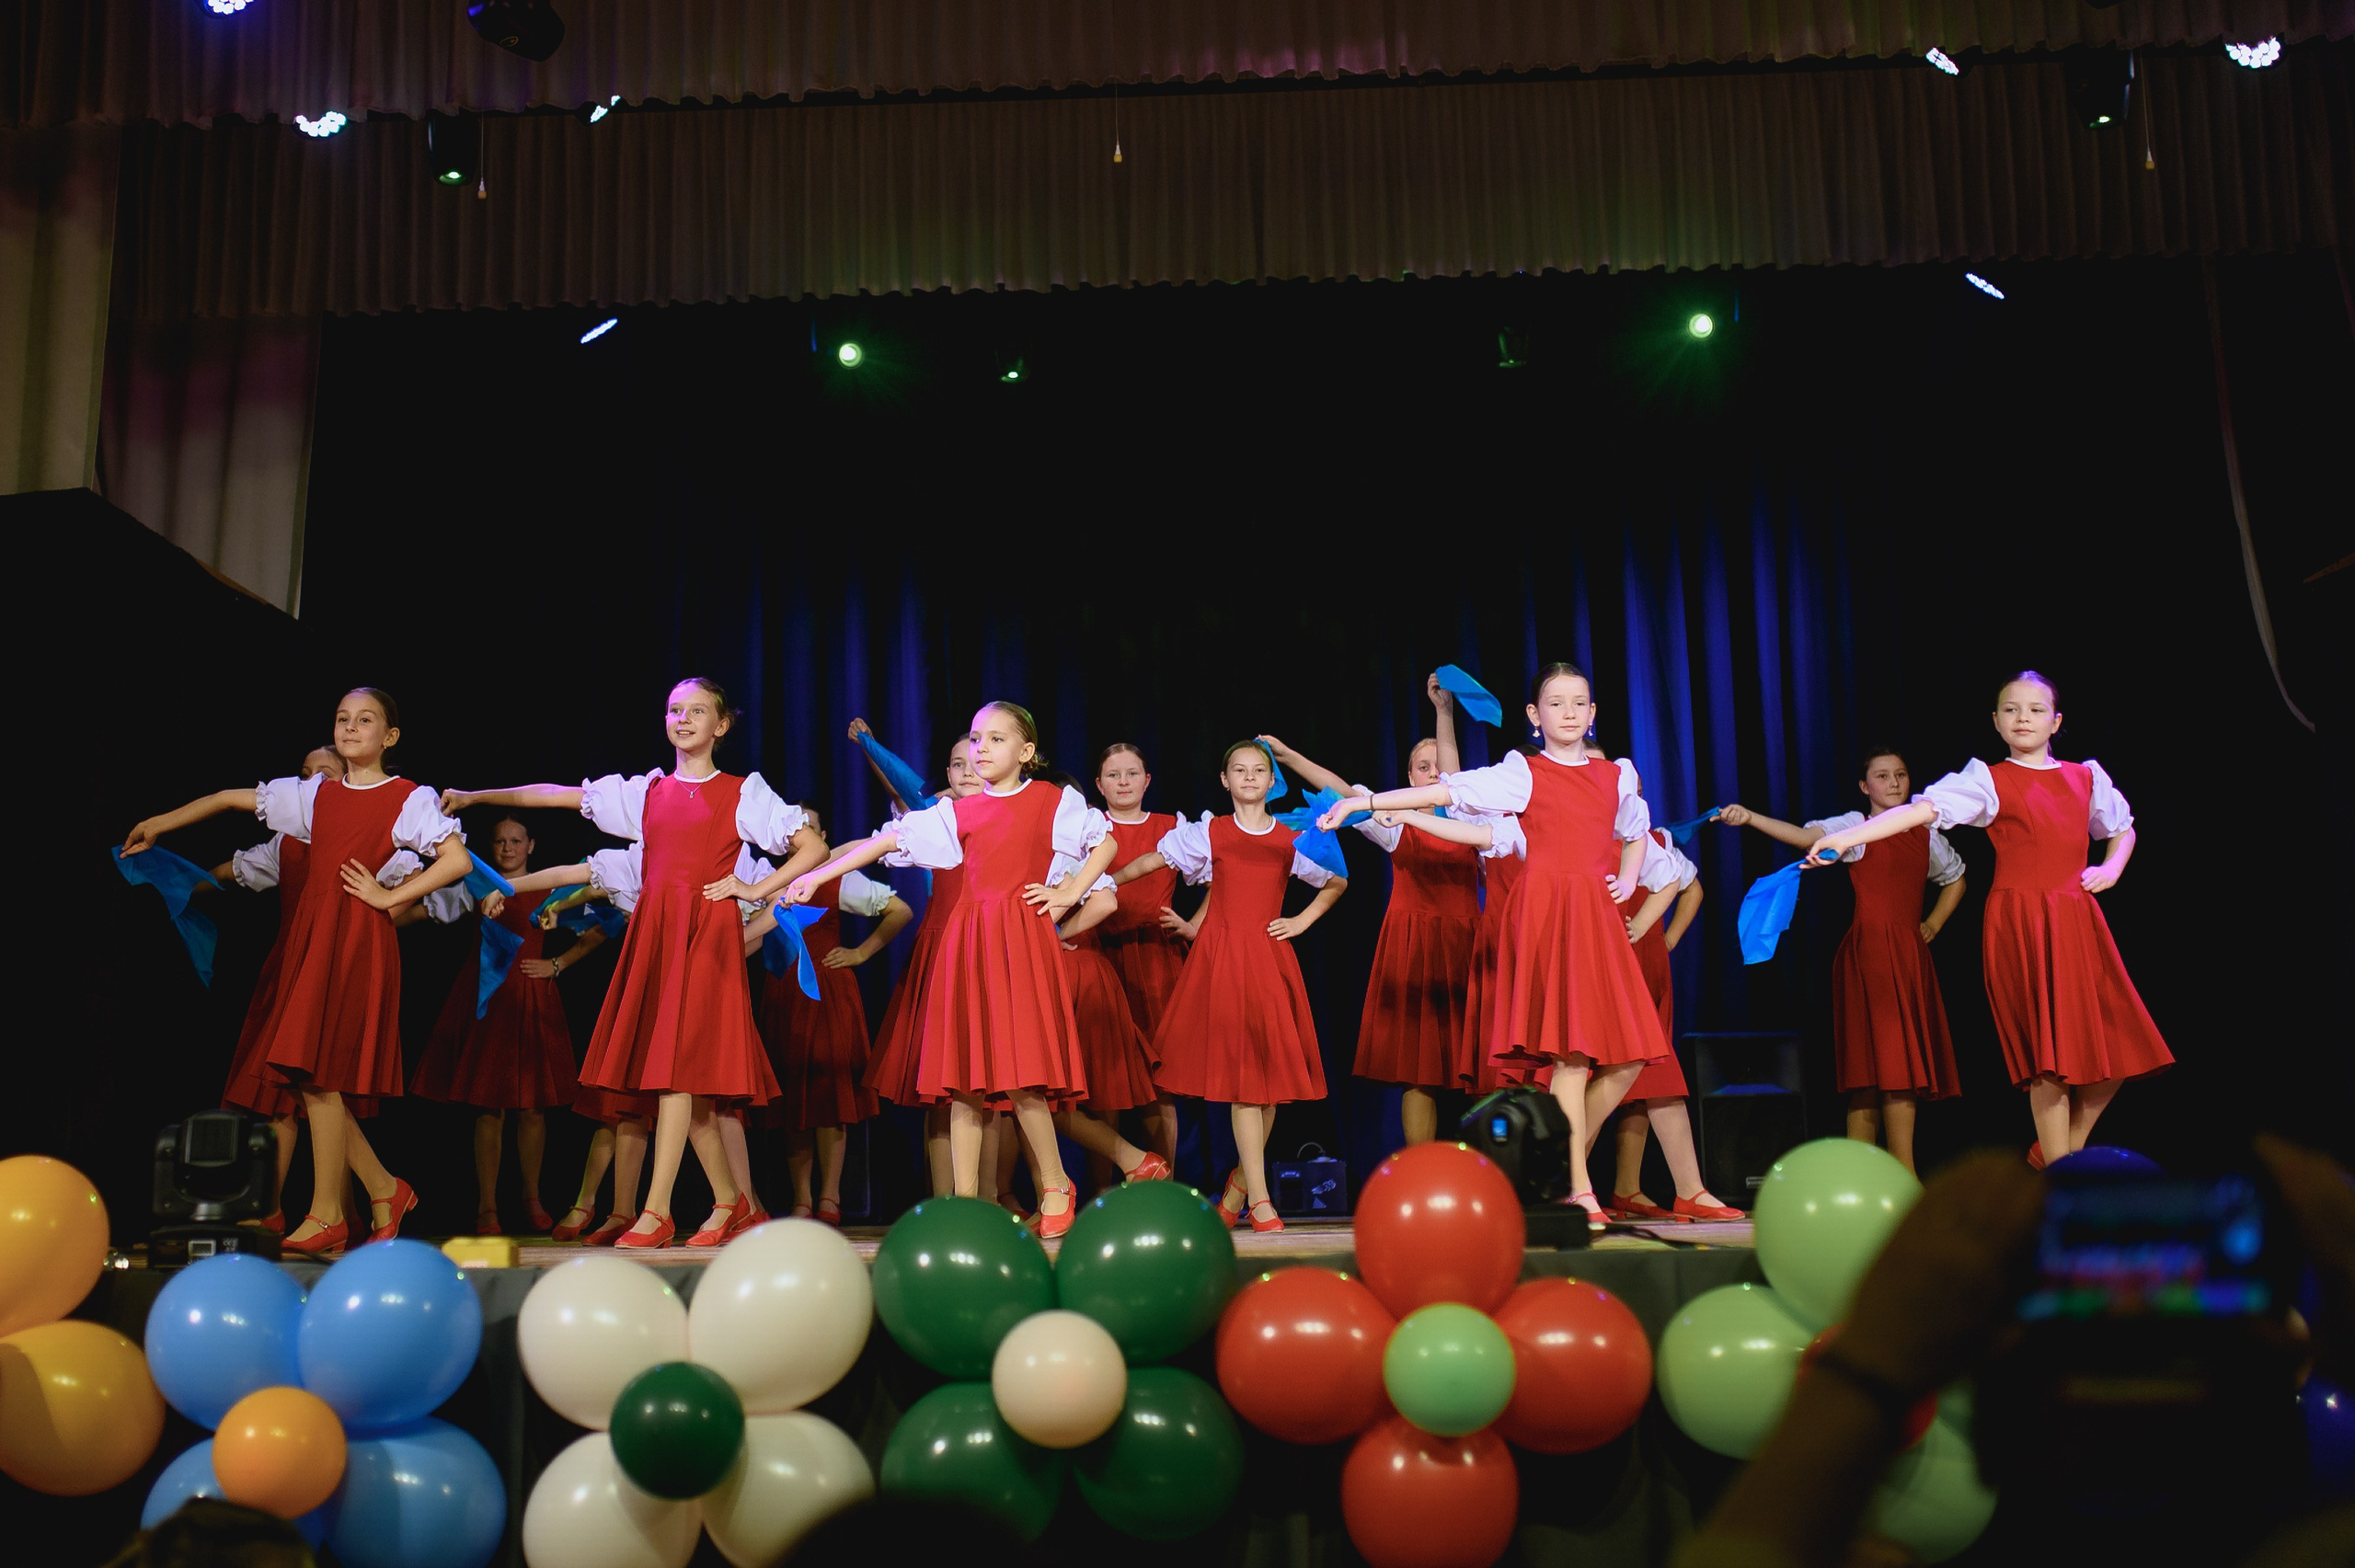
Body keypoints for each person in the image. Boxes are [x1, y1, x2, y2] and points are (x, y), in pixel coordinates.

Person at [439, 676, 828, 1247]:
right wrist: (478, 798)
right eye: (674, 709)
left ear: (720, 726)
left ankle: (657, 1209)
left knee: (676, 1073)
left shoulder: (743, 793)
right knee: (679, 1076)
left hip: (704, 936)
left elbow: (812, 848)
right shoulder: (646, 792)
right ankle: (729, 1202)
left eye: (697, 711)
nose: (683, 718)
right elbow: (558, 795)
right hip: (657, 936)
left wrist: (756, 888)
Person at [122, 689, 470, 1255]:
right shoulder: (317, 797)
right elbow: (229, 798)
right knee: (306, 1072)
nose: (351, 728)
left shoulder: (408, 798)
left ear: (390, 737)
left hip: (357, 939)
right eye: (342, 719)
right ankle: (382, 1189)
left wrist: (389, 898)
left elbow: (455, 861)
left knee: (318, 1071)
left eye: (365, 721)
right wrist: (160, 822)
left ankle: (333, 1210)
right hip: (314, 939)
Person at [751, 702, 1114, 1238]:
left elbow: (1104, 842)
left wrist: (1067, 890)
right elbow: (887, 840)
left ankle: (1056, 1183)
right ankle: (966, 1203)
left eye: (995, 739)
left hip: (1019, 941)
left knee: (1022, 1076)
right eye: (975, 739)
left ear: (1027, 752)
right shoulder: (957, 813)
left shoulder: (1051, 801)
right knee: (964, 1081)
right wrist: (816, 874)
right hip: (968, 945)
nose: (980, 749)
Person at [1321, 663, 1663, 1225]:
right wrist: (1366, 803)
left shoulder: (1617, 775)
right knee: (1571, 1059)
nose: (1570, 712)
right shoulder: (1522, 775)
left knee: (1630, 1058)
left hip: (1596, 923)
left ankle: (1555, 1161)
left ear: (1594, 711)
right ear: (1535, 716)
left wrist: (1627, 879)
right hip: (1551, 920)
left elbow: (1634, 831)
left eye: (1580, 702)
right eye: (1556, 703)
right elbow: (1449, 792)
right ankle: (1577, 1189)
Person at [1809, 673, 2170, 1167]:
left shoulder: (2085, 776)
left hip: (2075, 917)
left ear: (2055, 721)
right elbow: (1922, 812)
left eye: (2036, 709)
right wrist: (1848, 839)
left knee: (2122, 1045)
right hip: (2021, 920)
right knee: (2048, 1057)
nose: (2024, 718)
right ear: (1997, 721)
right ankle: (2060, 1179)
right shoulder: (1988, 779)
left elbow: (2123, 829)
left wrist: (2110, 868)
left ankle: (2061, 1153)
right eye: (2012, 709)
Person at [1118, 739, 1349, 1233]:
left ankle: (1240, 1187)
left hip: (1268, 961)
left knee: (1268, 1092)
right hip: (1222, 962)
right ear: (1225, 781)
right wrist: (1103, 883)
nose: (1248, 778)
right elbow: (1152, 863)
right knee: (1246, 1085)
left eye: (1258, 771)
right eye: (1239, 771)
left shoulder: (1290, 838)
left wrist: (1300, 922)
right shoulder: (1210, 833)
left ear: (1271, 781)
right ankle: (1259, 1200)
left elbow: (1335, 881)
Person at [1717, 747, 1966, 1173]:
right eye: (1883, 776)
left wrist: (1933, 925)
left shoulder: (1927, 832)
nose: (1893, 783)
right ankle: (1863, 1176)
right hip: (1869, 954)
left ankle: (1902, 1174)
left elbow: (1956, 878)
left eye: (1901, 775)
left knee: (1899, 1068)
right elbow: (1805, 836)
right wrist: (1752, 817)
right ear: (1864, 786)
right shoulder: (1856, 826)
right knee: (1872, 1073)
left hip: (1906, 956)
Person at [1258, 672, 1481, 1148]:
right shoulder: (1394, 819)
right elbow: (1342, 792)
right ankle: (1421, 1170)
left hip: (1469, 947)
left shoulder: (1472, 816)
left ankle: (1492, 1172)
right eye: (1422, 768)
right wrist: (1289, 756)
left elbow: (1455, 781)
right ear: (1407, 778)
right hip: (1418, 947)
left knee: (1479, 1062)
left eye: (1437, 765)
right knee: (1419, 1069)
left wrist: (1444, 714)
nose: (1433, 773)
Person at [408, 815, 580, 1234]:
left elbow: (601, 926)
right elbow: (428, 909)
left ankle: (531, 1197)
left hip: (530, 997)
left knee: (533, 1107)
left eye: (516, 840)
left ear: (532, 845)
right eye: (500, 841)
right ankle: (487, 1207)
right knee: (490, 1106)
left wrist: (557, 964)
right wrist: (379, 911)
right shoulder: (476, 884)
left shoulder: (549, 886)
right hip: (487, 997)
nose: (507, 848)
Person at [746, 807, 912, 1222]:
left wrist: (860, 953)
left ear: (821, 836)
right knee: (794, 1099)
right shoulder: (765, 881)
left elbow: (901, 910)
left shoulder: (839, 878)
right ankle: (801, 1198)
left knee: (830, 1095)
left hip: (824, 993)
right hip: (782, 996)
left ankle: (830, 1197)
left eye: (809, 827)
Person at [855, 727, 983, 1196]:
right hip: (942, 945)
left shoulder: (1003, 810)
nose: (967, 770)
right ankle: (947, 1205)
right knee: (941, 1089)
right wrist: (871, 747)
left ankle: (987, 1202)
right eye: (957, 765)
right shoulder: (934, 816)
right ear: (946, 774)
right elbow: (903, 789)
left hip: (988, 946)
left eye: (975, 760)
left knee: (989, 1087)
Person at [1090, 742, 1187, 1162]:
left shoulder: (1173, 826)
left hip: (1155, 960)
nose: (1123, 782)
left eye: (1132, 774)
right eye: (1113, 775)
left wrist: (1194, 924)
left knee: (1159, 1082)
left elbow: (1222, 875)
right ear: (1099, 784)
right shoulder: (1090, 828)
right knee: (1102, 1080)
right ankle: (1097, 1197)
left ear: (1147, 781)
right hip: (1101, 956)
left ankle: (1165, 1186)